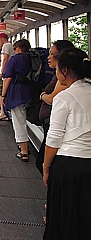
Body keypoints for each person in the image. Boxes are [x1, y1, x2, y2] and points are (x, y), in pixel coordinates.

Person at [42, 48, 91, 239]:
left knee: (65, 216)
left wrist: (47, 168)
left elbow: (54, 139)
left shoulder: (64, 97)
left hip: (69, 165)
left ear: (64, 71)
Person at [35, 40, 75, 175]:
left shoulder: (64, 78)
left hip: (55, 125)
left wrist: (42, 95)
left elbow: (53, 99)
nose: (48, 57)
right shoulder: (59, 76)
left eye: (52, 54)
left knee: (44, 163)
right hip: (50, 123)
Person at [1, 39, 34, 162]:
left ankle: (24, 151)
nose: (14, 51)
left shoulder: (15, 59)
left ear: (19, 48)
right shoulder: (32, 58)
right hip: (32, 91)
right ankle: (27, 145)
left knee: (18, 120)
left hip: (17, 93)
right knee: (26, 118)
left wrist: (3, 95)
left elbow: (8, 77)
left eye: (15, 49)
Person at [0, 33, 14, 121]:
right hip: (9, 72)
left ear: (2, 38)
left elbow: (5, 59)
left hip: (5, 73)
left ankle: (3, 113)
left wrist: (1, 72)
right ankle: (4, 110)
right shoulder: (10, 46)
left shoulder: (6, 46)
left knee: (1, 92)